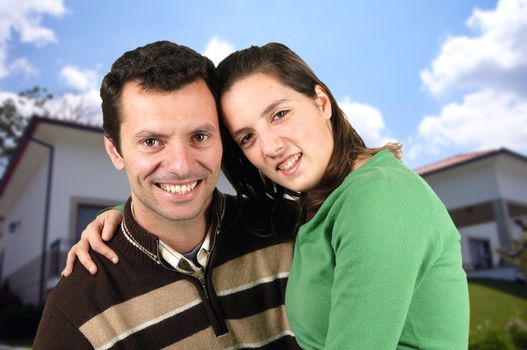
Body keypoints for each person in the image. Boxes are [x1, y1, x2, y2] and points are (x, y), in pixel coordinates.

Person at [66, 43, 470, 349]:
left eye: (279, 113)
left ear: (321, 101)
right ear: (116, 150)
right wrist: (126, 217)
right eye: (247, 136)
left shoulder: (379, 197)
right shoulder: (318, 212)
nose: (272, 147)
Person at [33, 41, 301, 349]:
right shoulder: (80, 306)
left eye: (199, 136)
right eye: (151, 142)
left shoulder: (287, 230)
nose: (181, 166)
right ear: (115, 150)